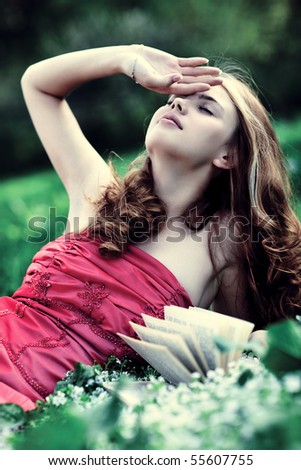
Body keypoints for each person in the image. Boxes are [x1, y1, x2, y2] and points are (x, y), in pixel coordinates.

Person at [0, 45, 300, 411]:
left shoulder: (223, 242)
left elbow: (228, 354)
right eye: (175, 97)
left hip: (41, 407)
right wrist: (128, 57)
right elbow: (37, 84)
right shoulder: (97, 194)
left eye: (204, 107)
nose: (177, 105)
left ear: (229, 155)